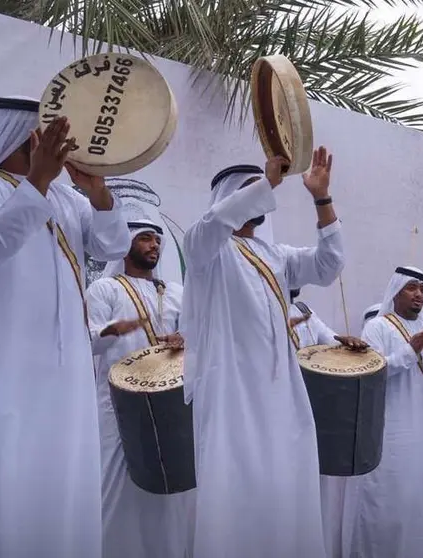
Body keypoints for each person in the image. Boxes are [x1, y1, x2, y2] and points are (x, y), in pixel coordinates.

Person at [0, 97, 130, 557]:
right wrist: (39, 181)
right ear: (18, 137)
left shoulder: (69, 199)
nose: (51, 146)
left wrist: (99, 192)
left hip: (67, 376)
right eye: (42, 138)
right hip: (9, 369)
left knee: (66, 477)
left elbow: (112, 245)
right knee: (12, 478)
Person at [181, 147, 344, 558]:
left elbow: (328, 265)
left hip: (282, 392)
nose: (258, 196)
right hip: (230, 390)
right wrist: (268, 182)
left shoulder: (277, 256)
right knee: (234, 487)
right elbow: (214, 226)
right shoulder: (208, 250)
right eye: (248, 189)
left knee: (286, 486)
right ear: (229, 197)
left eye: (261, 188)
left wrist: (321, 199)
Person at [85, 219, 194, 558]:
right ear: (127, 245)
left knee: (175, 493)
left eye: (157, 240)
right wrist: (112, 331)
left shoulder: (176, 293)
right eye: (145, 239)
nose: (154, 246)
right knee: (118, 489)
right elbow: (86, 340)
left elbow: (200, 335)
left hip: (171, 405)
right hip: (118, 406)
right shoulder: (105, 290)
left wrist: (184, 339)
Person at [342, 266, 423, 558]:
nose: (419, 295)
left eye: (422, 289)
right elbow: (373, 373)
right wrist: (410, 351)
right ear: (396, 291)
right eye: (412, 288)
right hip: (390, 430)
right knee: (388, 501)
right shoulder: (378, 327)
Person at [288, 287, 366, 558]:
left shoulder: (303, 311)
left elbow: (327, 339)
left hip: (311, 406)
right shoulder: (258, 309)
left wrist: (342, 342)